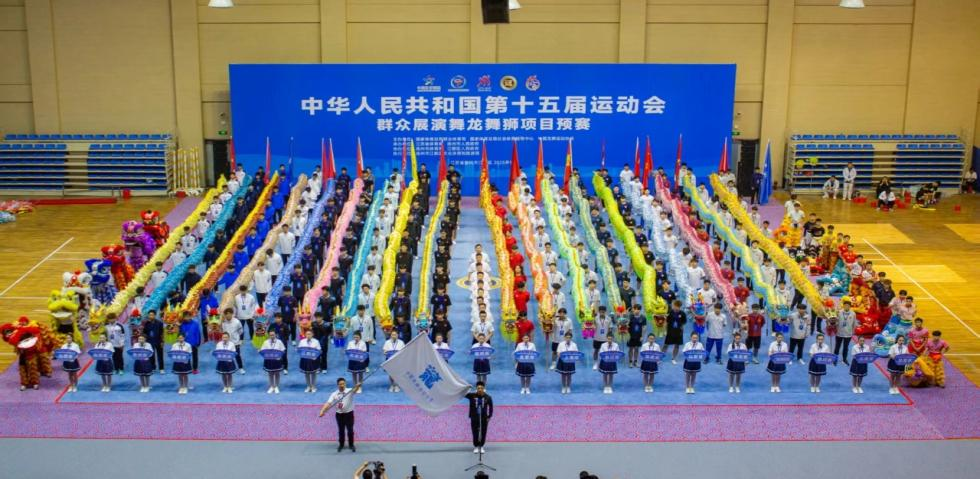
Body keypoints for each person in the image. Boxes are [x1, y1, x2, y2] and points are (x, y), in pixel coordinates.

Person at [319, 377, 362, 452]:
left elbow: (355, 390)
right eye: (340, 384)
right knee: (341, 430)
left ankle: (351, 444)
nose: (342, 385)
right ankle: (341, 445)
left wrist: (358, 386)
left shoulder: (349, 391)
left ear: (345, 384)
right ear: (337, 385)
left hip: (349, 414)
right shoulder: (334, 394)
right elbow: (328, 403)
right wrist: (322, 411)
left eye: (343, 384)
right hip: (339, 415)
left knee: (350, 430)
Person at [464, 381, 493, 454]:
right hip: (474, 417)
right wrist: (467, 387)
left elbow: (491, 408)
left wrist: (489, 416)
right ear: (476, 389)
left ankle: (481, 446)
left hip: (484, 418)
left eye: (481, 388)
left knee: (483, 432)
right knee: (475, 432)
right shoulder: (471, 396)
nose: (480, 389)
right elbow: (463, 394)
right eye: (478, 388)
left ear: (484, 389)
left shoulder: (488, 397)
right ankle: (476, 446)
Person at [261, 330, 286, 394]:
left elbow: (283, 350)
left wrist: (280, 356)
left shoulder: (279, 342)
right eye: (270, 335)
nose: (272, 336)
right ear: (268, 335)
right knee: (270, 373)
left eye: (273, 335)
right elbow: (262, 350)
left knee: (277, 373)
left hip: (277, 360)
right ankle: (272, 386)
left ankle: (276, 386)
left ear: (275, 335)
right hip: (269, 360)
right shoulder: (265, 342)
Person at [142, 309, 165, 374]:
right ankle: (153, 368)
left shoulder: (160, 323)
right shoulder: (146, 323)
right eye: (149, 315)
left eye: (152, 315)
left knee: (160, 355)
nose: (151, 316)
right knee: (151, 355)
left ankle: (161, 368)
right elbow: (144, 333)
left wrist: (162, 341)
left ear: (155, 315)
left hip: (158, 341)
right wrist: (145, 342)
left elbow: (162, 333)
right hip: (149, 341)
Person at [835, 300, 855, 365]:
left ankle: (844, 359)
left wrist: (852, 332)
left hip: (848, 334)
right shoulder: (839, 312)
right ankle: (835, 359)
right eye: (845, 305)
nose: (846, 307)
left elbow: (854, 324)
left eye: (848, 306)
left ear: (850, 306)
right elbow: (835, 321)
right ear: (843, 306)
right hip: (839, 333)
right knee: (837, 346)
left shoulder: (853, 314)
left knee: (846, 347)